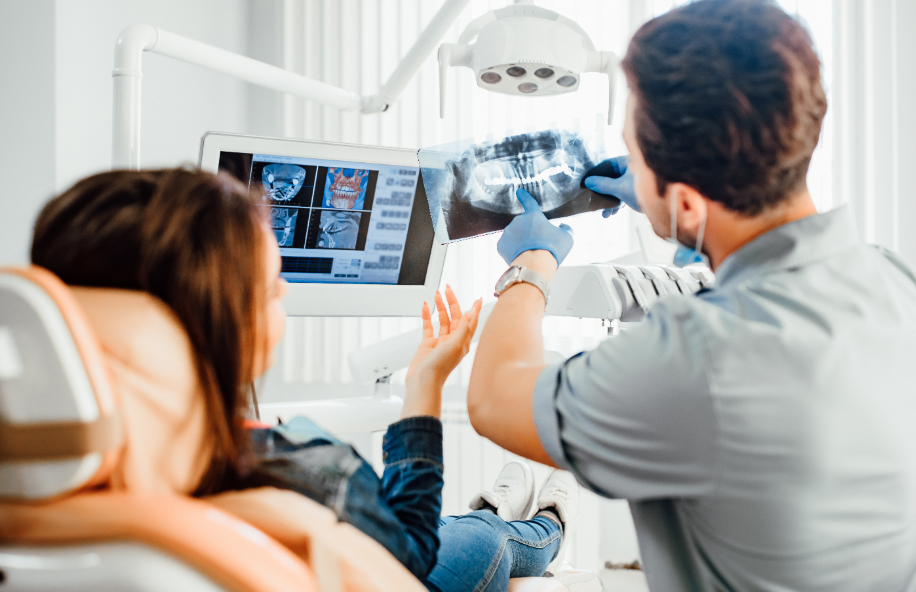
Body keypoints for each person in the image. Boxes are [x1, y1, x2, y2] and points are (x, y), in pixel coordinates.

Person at [466, 1, 916, 591]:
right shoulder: (891, 279)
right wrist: (696, 232)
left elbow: (495, 399)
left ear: (684, 201)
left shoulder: (695, 356)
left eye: (637, 150)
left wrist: (531, 264)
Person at [28, 167, 579, 592]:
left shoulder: (48, 487)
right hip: (407, 566)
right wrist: (427, 384)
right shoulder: (308, 482)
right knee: (481, 538)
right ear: (221, 324)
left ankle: (497, 504)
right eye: (271, 287)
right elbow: (411, 550)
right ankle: (547, 523)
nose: (285, 293)